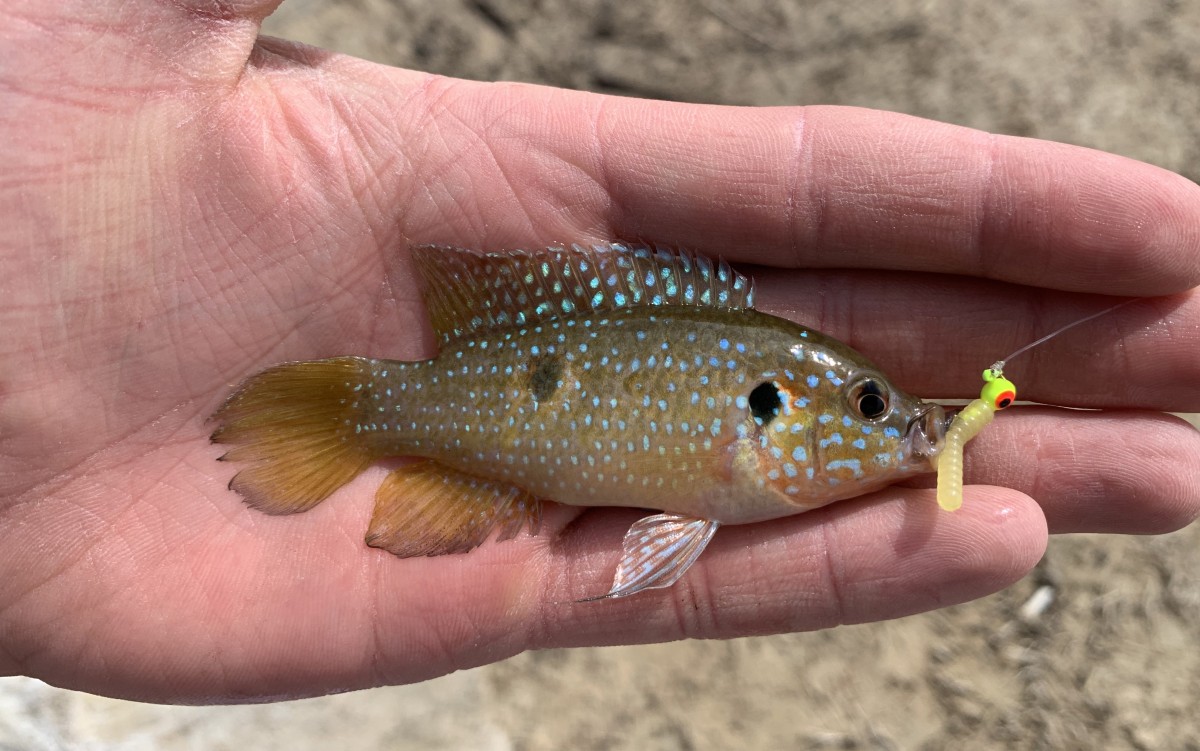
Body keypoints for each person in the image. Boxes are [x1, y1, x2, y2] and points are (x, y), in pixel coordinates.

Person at [1, 0, 1197, 704]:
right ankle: (359, 421)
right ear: (775, 414)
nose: (905, 430)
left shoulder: (765, 437)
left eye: (889, 412)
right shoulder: (759, 424)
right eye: (878, 406)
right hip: (449, 404)